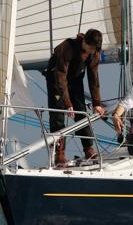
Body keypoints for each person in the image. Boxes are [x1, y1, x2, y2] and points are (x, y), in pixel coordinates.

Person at [45, 29, 106, 165]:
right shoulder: (67, 47)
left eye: (93, 49)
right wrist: (67, 103)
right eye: (89, 47)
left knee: (81, 111)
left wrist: (97, 102)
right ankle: (59, 153)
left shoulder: (94, 53)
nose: (90, 50)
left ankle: (88, 149)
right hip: (56, 81)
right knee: (58, 114)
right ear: (84, 41)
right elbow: (60, 76)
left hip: (75, 79)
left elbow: (93, 77)